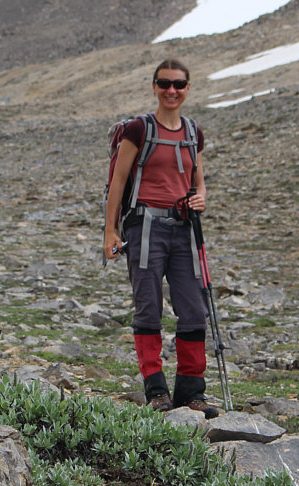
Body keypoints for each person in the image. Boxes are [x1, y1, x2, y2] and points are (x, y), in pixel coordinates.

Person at [103, 58, 220, 418]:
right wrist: (110, 230)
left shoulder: (193, 132)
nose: (172, 90)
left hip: (184, 227)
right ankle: (156, 390)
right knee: (148, 307)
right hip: (144, 227)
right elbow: (118, 183)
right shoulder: (138, 130)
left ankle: (191, 390)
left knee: (193, 309)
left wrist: (201, 197)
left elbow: (199, 180)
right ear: (154, 86)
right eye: (165, 83)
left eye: (179, 85)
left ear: (188, 89)